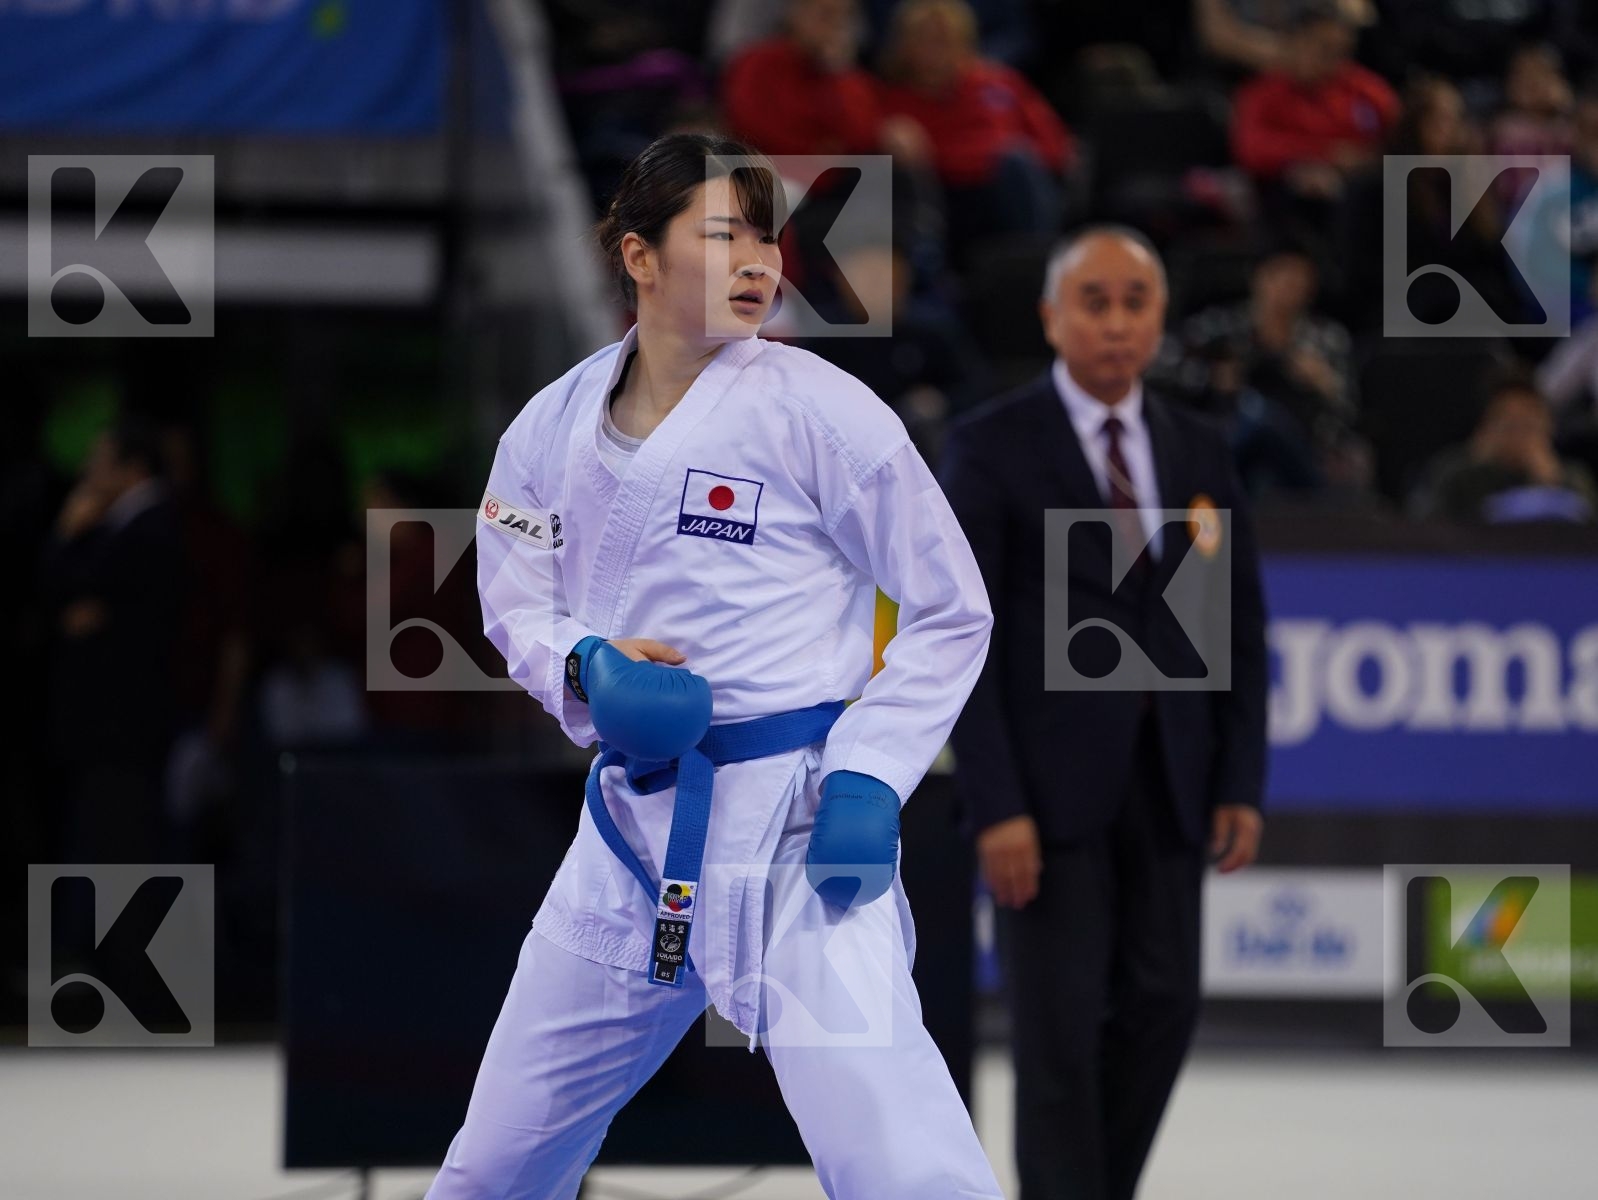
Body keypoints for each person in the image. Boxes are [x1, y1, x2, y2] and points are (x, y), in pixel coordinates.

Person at [425, 132, 1002, 1200]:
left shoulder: (821, 411)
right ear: (639, 257)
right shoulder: (545, 427)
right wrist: (585, 667)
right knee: (496, 1161)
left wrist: (871, 773)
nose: (760, 262)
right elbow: (513, 604)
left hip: (795, 829)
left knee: (896, 1156)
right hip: (631, 836)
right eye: (724, 233)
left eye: (768, 237)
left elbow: (949, 610)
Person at [939, 227, 1270, 1200]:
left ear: (1159, 318)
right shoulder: (989, 445)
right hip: (1042, 800)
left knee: (1162, 1009)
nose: (1116, 321)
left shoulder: (1200, 450)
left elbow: (1235, 630)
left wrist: (1237, 781)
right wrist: (994, 803)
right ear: (1050, 315)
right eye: (1094, 300)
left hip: (1171, 782)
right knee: (1056, 1031)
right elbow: (965, 640)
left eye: (1135, 301)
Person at [875, 0, 1074, 250]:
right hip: (950, 199)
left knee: (1019, 164)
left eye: (946, 39)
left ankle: (1040, 258)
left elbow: (1053, 143)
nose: (936, 50)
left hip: (1012, 187)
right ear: (903, 46)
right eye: (926, 39)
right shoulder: (891, 100)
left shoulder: (999, 82)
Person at [1410, 375, 1597, 524]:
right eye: (1509, 423)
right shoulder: (1454, 470)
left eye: (1530, 423)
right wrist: (1474, 465)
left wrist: (1552, 483)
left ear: (1549, 427)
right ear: (1485, 426)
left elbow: (1589, 535)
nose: (1519, 435)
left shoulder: (1572, 476)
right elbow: (1425, 527)